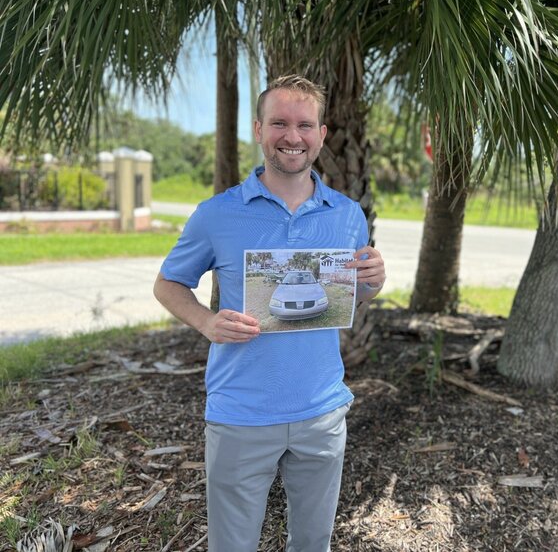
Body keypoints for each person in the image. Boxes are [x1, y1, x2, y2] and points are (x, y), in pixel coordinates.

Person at [153, 74, 385, 552]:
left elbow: (349, 297)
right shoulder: (216, 214)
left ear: (322, 134)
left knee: (313, 542)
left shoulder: (347, 215)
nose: (292, 137)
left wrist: (372, 285)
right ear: (258, 130)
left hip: (321, 411)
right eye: (279, 123)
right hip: (241, 412)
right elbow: (168, 284)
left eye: (305, 124)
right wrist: (206, 321)